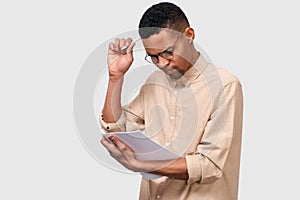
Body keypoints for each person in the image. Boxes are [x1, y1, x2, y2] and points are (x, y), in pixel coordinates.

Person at [100, 2, 243, 200]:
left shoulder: (225, 85)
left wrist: (144, 165)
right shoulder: (155, 82)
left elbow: (210, 165)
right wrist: (115, 76)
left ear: (189, 36)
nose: (162, 63)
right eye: (153, 57)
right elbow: (117, 127)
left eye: (167, 52)